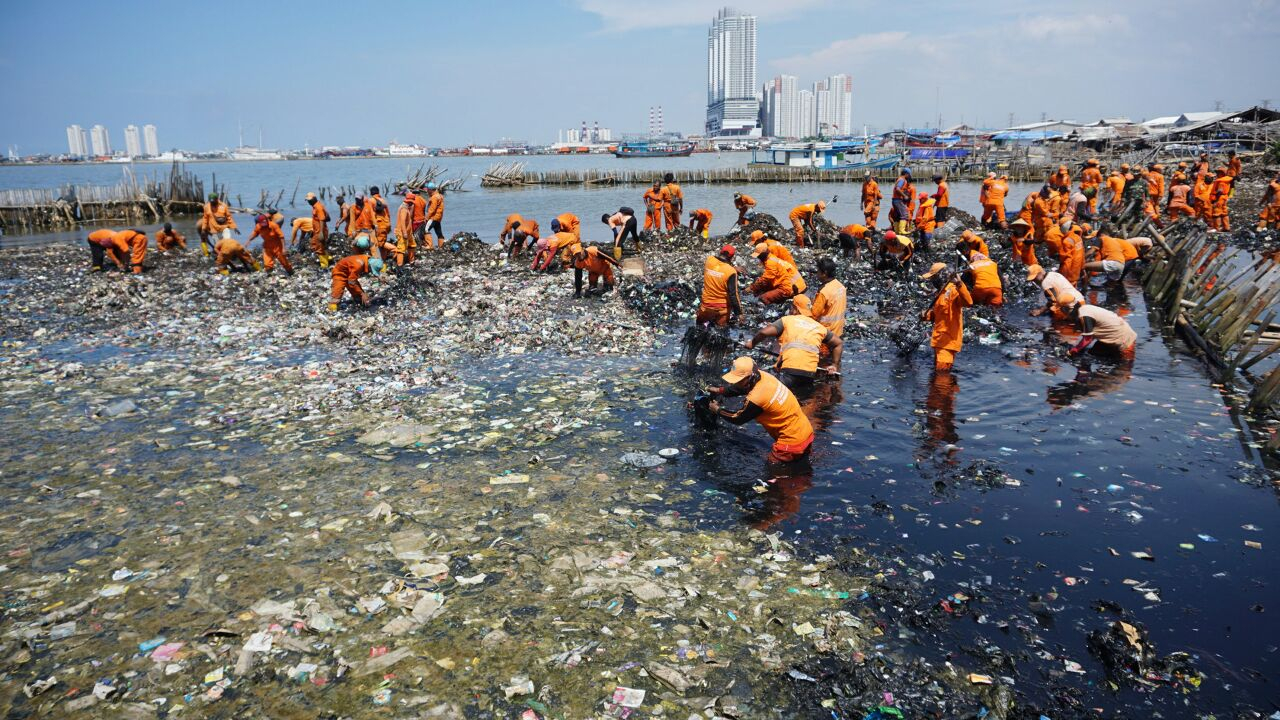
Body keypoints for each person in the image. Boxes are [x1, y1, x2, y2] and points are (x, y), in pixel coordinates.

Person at [708, 357, 816, 464]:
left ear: (750, 377)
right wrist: (720, 390)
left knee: (775, 471)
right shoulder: (764, 376)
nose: (736, 383)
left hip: (791, 442)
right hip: (806, 431)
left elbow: (737, 418)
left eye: (739, 380)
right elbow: (742, 388)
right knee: (802, 466)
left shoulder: (757, 397)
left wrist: (717, 410)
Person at [744, 302, 843, 390]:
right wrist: (834, 365)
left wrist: (752, 344)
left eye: (791, 308)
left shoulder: (788, 320)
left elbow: (764, 332)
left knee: (767, 391)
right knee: (802, 399)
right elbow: (838, 343)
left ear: (795, 309)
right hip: (810, 373)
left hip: (789, 370)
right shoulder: (819, 327)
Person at [921, 262, 973, 372]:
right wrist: (925, 316)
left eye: (933, 277)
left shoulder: (953, 291)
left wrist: (959, 284)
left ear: (940, 276)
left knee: (942, 379)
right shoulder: (940, 293)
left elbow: (968, 302)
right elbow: (938, 315)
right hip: (939, 341)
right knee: (939, 376)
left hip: (947, 343)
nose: (931, 281)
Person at [1067, 304, 1137, 358]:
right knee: (1093, 353)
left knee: (1124, 368)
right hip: (1113, 335)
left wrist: (1075, 349)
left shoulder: (1084, 316)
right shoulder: (1084, 308)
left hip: (1124, 339)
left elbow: (1087, 339)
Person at [698, 245, 741, 327]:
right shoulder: (731, 272)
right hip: (722, 309)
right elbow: (733, 294)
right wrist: (739, 313)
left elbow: (719, 265)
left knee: (699, 329)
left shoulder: (709, 260)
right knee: (721, 333)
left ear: (721, 252)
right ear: (732, 257)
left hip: (706, 306)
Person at [807, 256, 846, 339]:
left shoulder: (824, 292)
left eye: (818, 271)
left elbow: (813, 315)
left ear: (824, 273)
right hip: (838, 331)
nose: (817, 274)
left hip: (826, 333)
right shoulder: (840, 286)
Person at [306, 192, 331, 268]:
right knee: (322, 246)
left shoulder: (318, 207)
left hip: (320, 231)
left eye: (310, 200)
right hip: (317, 231)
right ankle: (328, 258)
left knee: (319, 247)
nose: (308, 202)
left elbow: (322, 220)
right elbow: (327, 217)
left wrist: (321, 233)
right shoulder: (316, 206)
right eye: (308, 200)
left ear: (314, 199)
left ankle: (324, 265)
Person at [889, 169, 915, 235]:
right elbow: (897, 189)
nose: (909, 176)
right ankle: (902, 231)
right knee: (904, 214)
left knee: (898, 215)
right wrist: (904, 196)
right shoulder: (902, 180)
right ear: (906, 174)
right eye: (908, 175)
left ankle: (897, 230)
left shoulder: (899, 179)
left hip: (895, 199)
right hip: (898, 200)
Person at [395, 200, 416, 265]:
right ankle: (399, 265)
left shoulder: (407, 208)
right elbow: (402, 222)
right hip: (402, 233)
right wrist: (404, 233)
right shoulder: (403, 209)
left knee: (412, 245)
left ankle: (411, 261)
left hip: (408, 232)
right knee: (401, 249)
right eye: (412, 203)